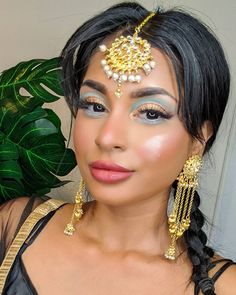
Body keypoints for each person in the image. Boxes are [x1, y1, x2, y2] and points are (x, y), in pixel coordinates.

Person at [0, 2, 235, 294]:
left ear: (198, 140)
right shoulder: (13, 228)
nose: (108, 137)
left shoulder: (223, 286)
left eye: (150, 113)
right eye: (95, 105)